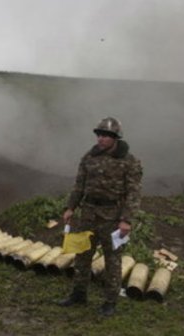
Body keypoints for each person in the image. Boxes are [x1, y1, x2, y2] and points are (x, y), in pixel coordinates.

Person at [58, 117, 143, 317]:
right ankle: (78, 294)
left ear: (115, 138)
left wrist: (126, 220)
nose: (101, 139)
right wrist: (70, 207)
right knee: (82, 256)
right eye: (99, 135)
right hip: (88, 213)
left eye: (106, 136)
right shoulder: (89, 157)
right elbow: (79, 184)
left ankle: (110, 301)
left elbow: (134, 193)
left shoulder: (129, 161)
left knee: (112, 260)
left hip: (112, 217)